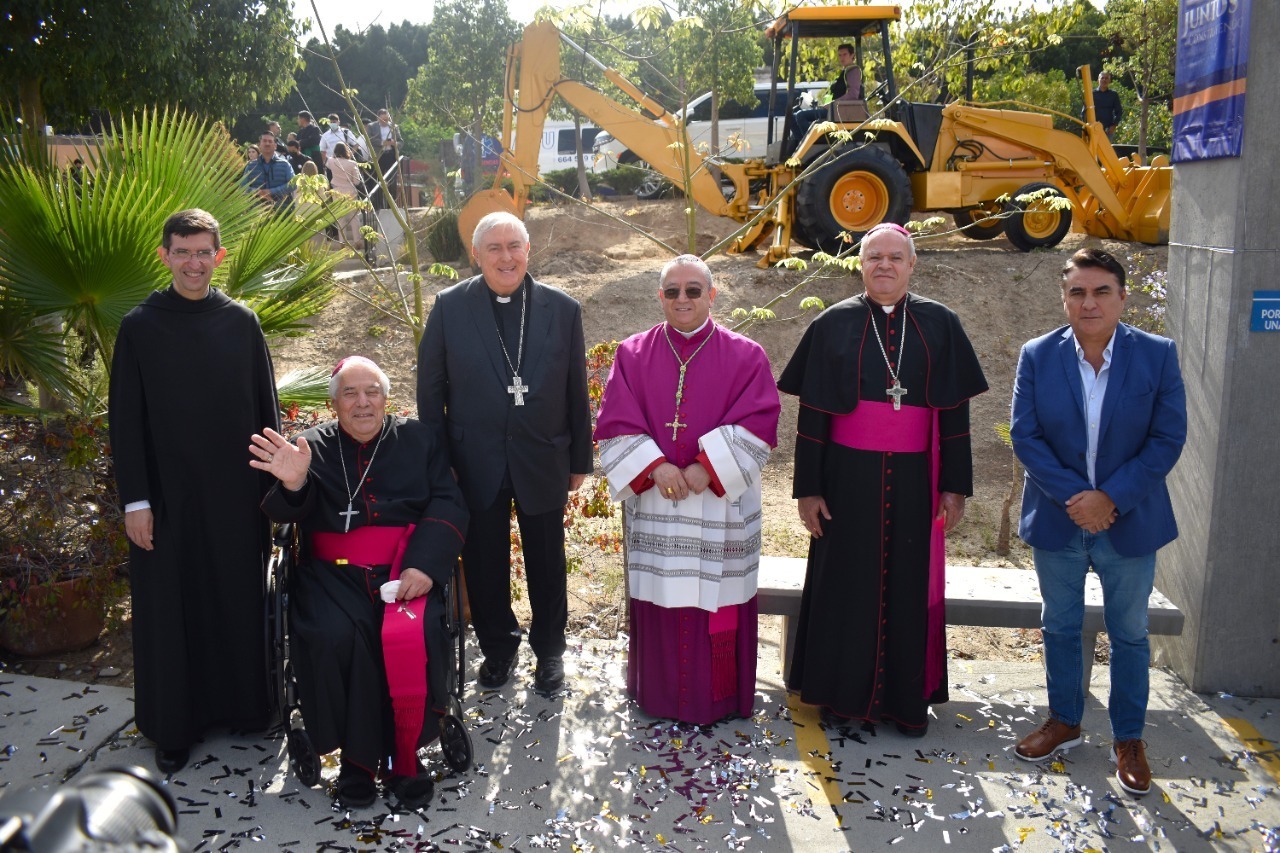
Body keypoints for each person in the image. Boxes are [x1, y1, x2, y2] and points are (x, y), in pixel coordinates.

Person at [777, 222, 988, 736]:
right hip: (846, 480)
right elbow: (813, 417)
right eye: (874, 257)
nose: (885, 265)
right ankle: (841, 697)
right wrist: (808, 489)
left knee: (907, 586)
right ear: (861, 264)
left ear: (912, 264)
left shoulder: (941, 323)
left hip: (917, 480)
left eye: (896, 257)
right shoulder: (833, 324)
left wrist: (954, 486)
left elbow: (954, 414)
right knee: (844, 585)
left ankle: (905, 703)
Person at [252, 356, 468, 810]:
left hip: (404, 572)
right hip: (330, 577)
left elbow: (448, 502)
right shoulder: (310, 446)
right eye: (349, 393)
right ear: (334, 404)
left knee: (418, 632)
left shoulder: (419, 439)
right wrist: (294, 485)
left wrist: (425, 566)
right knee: (335, 635)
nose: (362, 402)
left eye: (371, 391)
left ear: (386, 398)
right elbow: (289, 517)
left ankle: (401, 758)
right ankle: (360, 762)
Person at [1009, 248, 1186, 797]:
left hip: (1128, 521)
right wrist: (1079, 500)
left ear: (1122, 296)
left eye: (1101, 291)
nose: (1089, 302)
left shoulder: (1156, 355)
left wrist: (1110, 498)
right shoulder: (1038, 355)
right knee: (1059, 626)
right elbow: (1027, 437)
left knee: (1130, 634)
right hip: (1061, 520)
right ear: (1064, 297)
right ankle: (1064, 720)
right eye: (1078, 292)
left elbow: (1167, 438)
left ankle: (1128, 739)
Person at [108, 209, 279, 774]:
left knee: (234, 598)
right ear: (165, 256)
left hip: (235, 497)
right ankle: (174, 727)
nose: (193, 262)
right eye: (183, 251)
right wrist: (136, 500)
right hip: (165, 501)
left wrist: (271, 496)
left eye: (204, 251)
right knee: (170, 609)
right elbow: (126, 422)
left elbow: (266, 414)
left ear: (218, 257)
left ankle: (244, 708)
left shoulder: (242, 323)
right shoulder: (139, 327)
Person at [594, 255, 780, 724]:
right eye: (672, 290)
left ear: (711, 296)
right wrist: (655, 466)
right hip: (659, 502)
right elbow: (615, 420)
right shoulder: (632, 353)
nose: (682, 299)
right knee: (660, 595)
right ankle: (657, 696)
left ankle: (715, 699)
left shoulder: (746, 354)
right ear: (659, 296)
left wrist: (707, 466)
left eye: (693, 290)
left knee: (718, 602)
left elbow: (760, 422)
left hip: (719, 508)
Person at [417, 211, 592, 694]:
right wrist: (438, 461)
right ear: (476, 255)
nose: (505, 256)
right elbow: (431, 391)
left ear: (528, 251)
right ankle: (498, 649)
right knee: (484, 562)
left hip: (543, 457)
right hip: (473, 460)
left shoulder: (563, 308)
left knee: (547, 561)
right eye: (493, 248)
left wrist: (580, 459)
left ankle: (550, 653)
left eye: (514, 245)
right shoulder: (450, 306)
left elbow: (576, 390)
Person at [791, 42, 864, 143]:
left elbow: (853, 94)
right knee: (792, 116)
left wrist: (832, 104)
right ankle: (800, 144)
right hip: (833, 110)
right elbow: (833, 94)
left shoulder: (853, 71)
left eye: (845, 54)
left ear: (852, 55)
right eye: (840, 55)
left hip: (840, 112)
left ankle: (811, 143)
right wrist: (822, 104)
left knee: (800, 115)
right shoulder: (843, 73)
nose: (842, 57)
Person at [240, 132, 294, 207]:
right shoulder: (251, 166)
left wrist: (271, 191)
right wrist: (258, 192)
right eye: (264, 141)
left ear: (275, 146)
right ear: (259, 145)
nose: (267, 144)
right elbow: (242, 187)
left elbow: (293, 184)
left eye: (270, 141)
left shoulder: (285, 165)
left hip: (281, 210)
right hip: (257, 211)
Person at [326, 142, 364, 243]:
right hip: (350, 190)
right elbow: (357, 181)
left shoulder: (331, 161)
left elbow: (328, 170)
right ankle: (357, 240)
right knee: (354, 217)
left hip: (336, 191)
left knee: (340, 218)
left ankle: (342, 241)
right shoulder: (352, 164)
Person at [1089, 71, 1123, 140]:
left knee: (1105, 150)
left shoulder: (1113, 95)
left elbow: (1119, 112)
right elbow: (1084, 112)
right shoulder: (1091, 94)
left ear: (1109, 81)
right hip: (1093, 129)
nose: (1104, 80)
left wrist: (1114, 125)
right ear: (1098, 80)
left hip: (1108, 130)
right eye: (1102, 78)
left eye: (1106, 78)